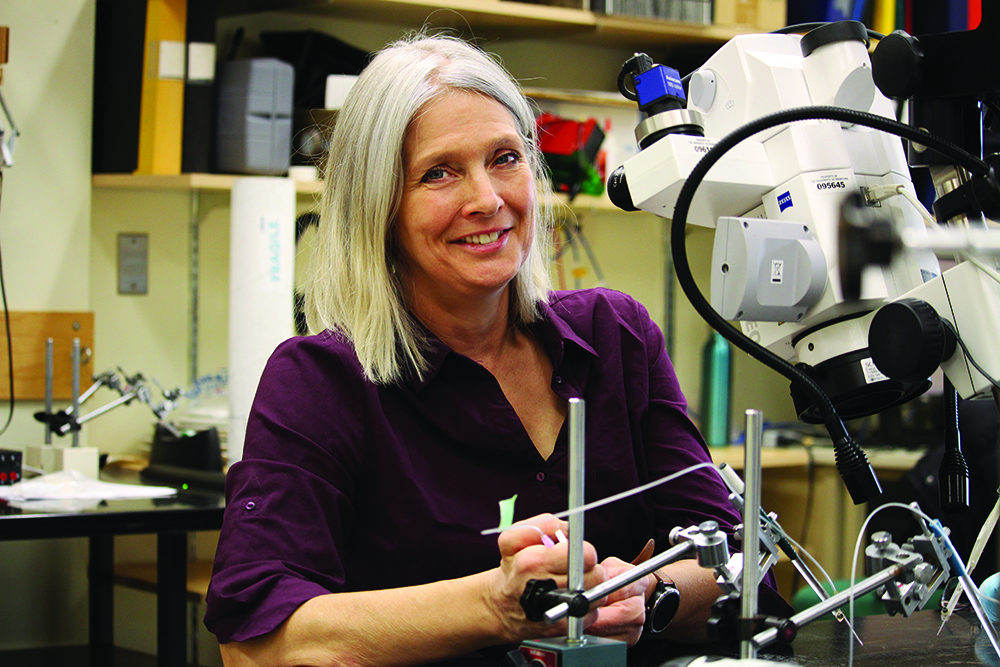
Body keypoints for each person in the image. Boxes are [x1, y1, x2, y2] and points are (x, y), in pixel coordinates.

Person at [204, 33, 789, 666]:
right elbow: (256, 645)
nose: (487, 199)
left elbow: (740, 566)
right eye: (439, 172)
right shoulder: (320, 384)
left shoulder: (614, 337)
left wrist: (645, 593)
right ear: (379, 209)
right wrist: (494, 605)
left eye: (504, 158)